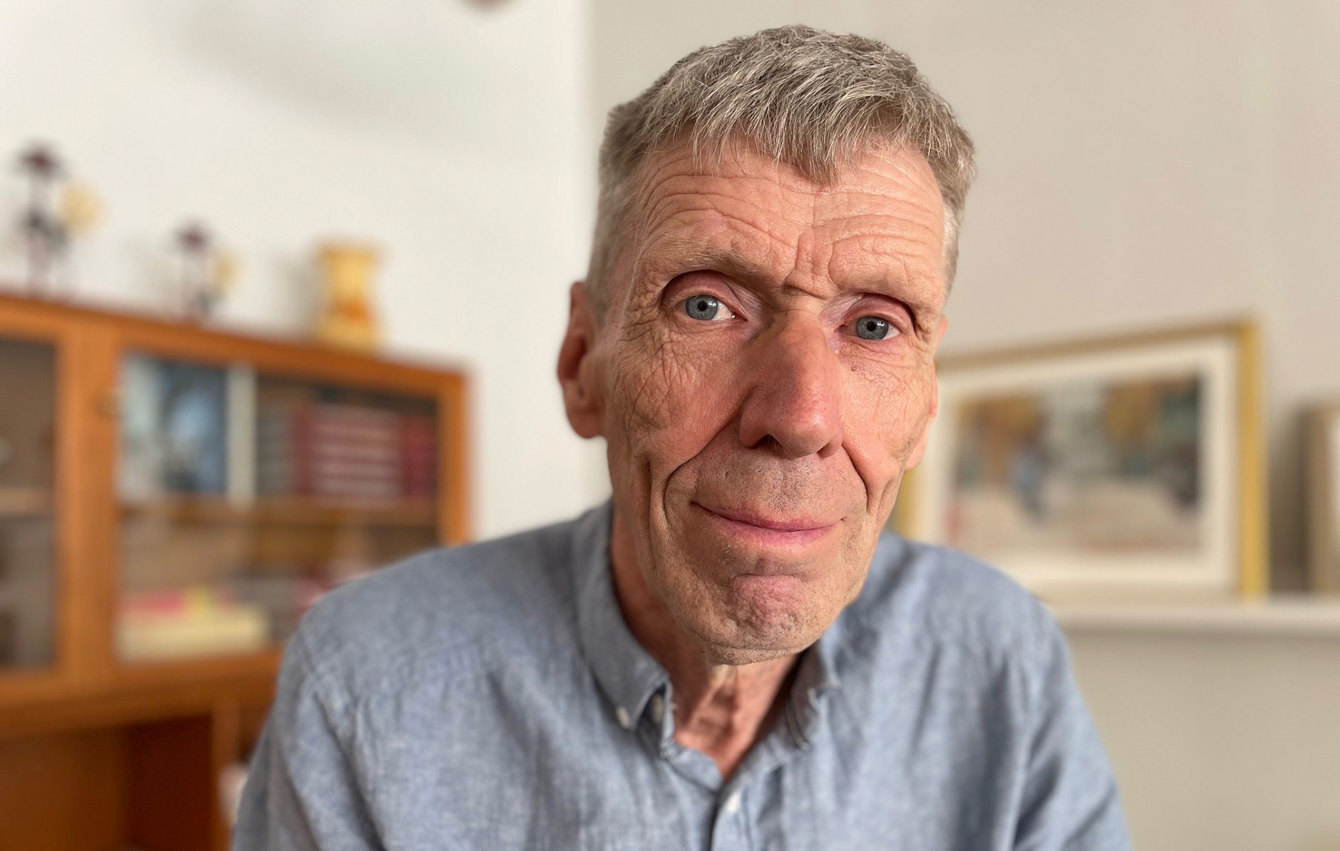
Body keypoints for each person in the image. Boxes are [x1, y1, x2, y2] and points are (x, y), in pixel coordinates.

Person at [235, 25, 1129, 850]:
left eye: (874, 326)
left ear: (926, 407)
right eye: (705, 305)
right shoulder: (366, 686)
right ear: (582, 364)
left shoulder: (1001, 659)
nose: (800, 417)